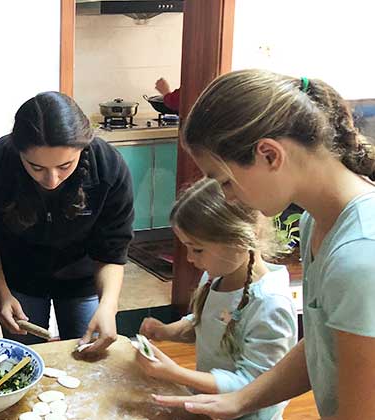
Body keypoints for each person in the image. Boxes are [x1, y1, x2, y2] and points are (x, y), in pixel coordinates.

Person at [152, 70, 375, 419]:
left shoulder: (360, 255)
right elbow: (321, 343)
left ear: (270, 155)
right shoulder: (315, 221)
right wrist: (240, 399)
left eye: (225, 182)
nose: (227, 198)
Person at [0, 91, 135, 353]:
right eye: (36, 167)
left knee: (87, 356)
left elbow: (113, 250)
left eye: (65, 166)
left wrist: (108, 306)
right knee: (21, 360)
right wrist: (2, 296)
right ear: (18, 151)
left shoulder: (108, 166)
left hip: (83, 277)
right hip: (20, 277)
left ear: (83, 148)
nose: (52, 180)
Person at [137, 178, 297, 420]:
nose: (190, 258)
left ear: (241, 240)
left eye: (197, 249)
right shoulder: (217, 276)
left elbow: (252, 386)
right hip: (211, 406)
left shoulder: (270, 305)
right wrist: (167, 331)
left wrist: (175, 373)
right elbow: (209, 321)